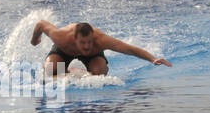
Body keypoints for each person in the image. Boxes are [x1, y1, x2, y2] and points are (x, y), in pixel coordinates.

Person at [30, 20, 171, 78]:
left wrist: (152, 59)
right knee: (51, 71)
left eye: (89, 42)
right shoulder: (61, 37)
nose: (86, 46)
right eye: (83, 42)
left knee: (99, 74)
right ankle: (67, 71)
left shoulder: (101, 40)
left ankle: (75, 73)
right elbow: (41, 24)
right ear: (74, 39)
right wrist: (34, 39)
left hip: (93, 56)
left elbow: (129, 49)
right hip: (64, 52)